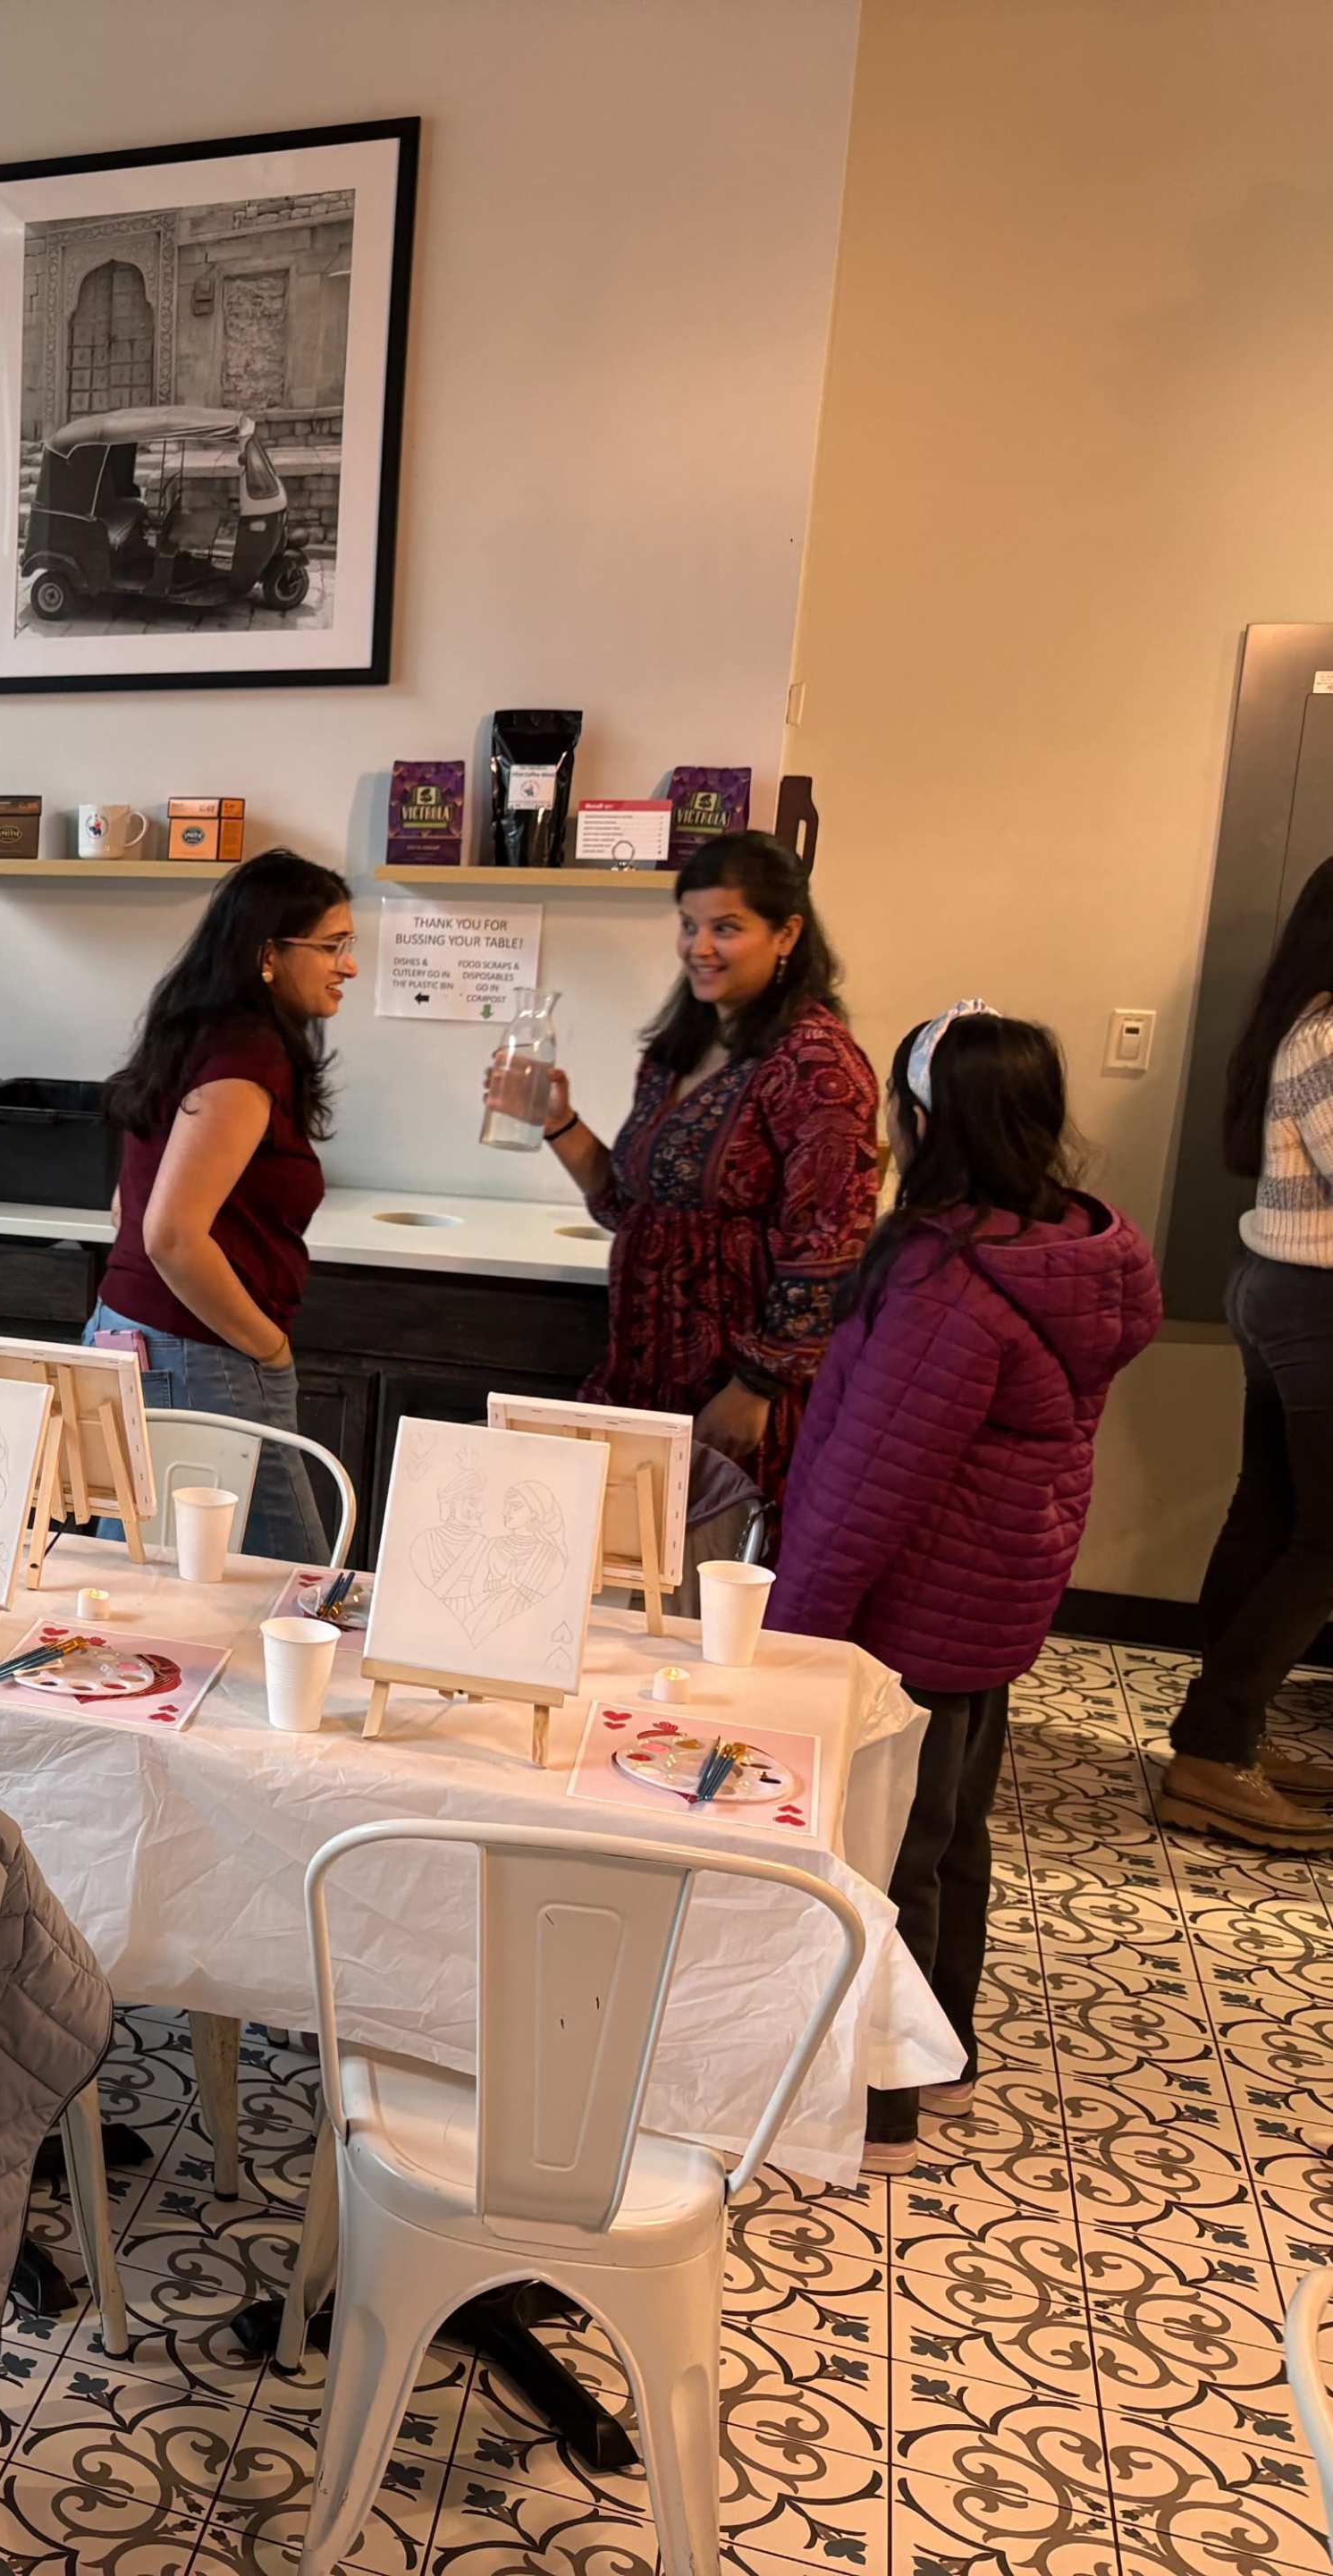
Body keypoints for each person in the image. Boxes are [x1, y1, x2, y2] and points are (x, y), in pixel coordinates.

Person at [765, 1009, 1160, 2171]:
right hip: (992, 1602)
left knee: (888, 1851)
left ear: (927, 1118)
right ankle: (944, 2049)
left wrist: (788, 1643)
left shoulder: (947, 1277)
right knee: (950, 1835)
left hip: (906, 1616)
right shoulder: (1079, 1247)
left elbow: (867, 1486)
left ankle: (884, 2094)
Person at [489, 830, 878, 1508]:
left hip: (742, 1397)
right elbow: (630, 1209)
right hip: (642, 1377)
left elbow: (829, 1251)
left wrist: (754, 1389)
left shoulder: (817, 1066)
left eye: (726, 928)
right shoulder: (677, 1051)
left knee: (718, 1589)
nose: (699, 947)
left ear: (786, 934)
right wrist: (557, 1122)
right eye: (689, 925)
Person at [86, 849, 356, 1564]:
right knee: (298, 1589)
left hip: (134, 1338)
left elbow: (126, 1206)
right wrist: (267, 1346)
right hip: (203, 1356)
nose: (348, 965)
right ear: (269, 953)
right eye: (332, 946)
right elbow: (170, 1234)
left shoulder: (193, 1035)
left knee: (146, 1575)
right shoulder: (247, 1060)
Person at [1161, 857, 1333, 1852]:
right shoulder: (1330, 1027)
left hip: (1283, 1290)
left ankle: (1228, 1740)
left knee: (1270, 1516)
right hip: (1317, 1302)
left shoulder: (1302, 1018)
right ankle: (1215, 1747)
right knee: (1326, 1538)